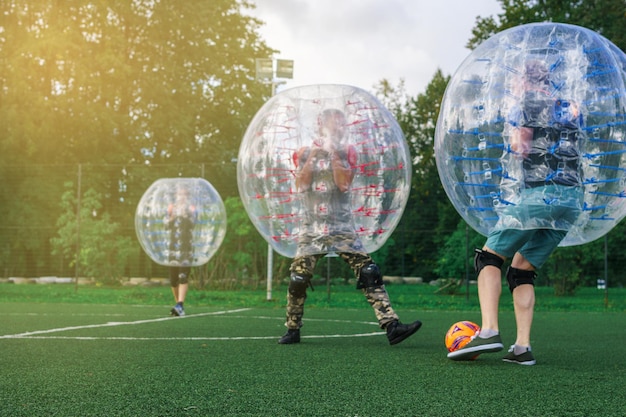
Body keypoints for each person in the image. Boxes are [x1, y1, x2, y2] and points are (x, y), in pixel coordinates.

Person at [448, 60, 584, 365]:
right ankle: (522, 348)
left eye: (514, 83)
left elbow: (521, 148)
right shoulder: (570, 107)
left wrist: (512, 135)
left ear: (526, 81)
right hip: (572, 199)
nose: (512, 88)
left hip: (541, 194)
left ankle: (489, 331)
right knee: (521, 269)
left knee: (488, 256)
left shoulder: (527, 104)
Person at [278, 108, 422, 345]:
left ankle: (392, 326)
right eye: (333, 125)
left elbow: (343, 184)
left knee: (368, 271)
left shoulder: (348, 152)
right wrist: (316, 154)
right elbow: (301, 185)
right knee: (298, 277)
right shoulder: (304, 152)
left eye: (340, 126)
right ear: (321, 126)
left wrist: (333, 153)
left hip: (341, 225)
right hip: (311, 226)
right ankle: (292, 329)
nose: (338, 129)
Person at [165, 186, 198, 316]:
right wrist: (171, 216)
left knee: (183, 276)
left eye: (184, 194)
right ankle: (178, 305)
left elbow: (194, 224)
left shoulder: (191, 209)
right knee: (173, 280)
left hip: (186, 246)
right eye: (180, 194)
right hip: (173, 247)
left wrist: (190, 213)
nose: (182, 196)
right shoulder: (171, 208)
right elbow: (165, 226)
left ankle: (180, 304)